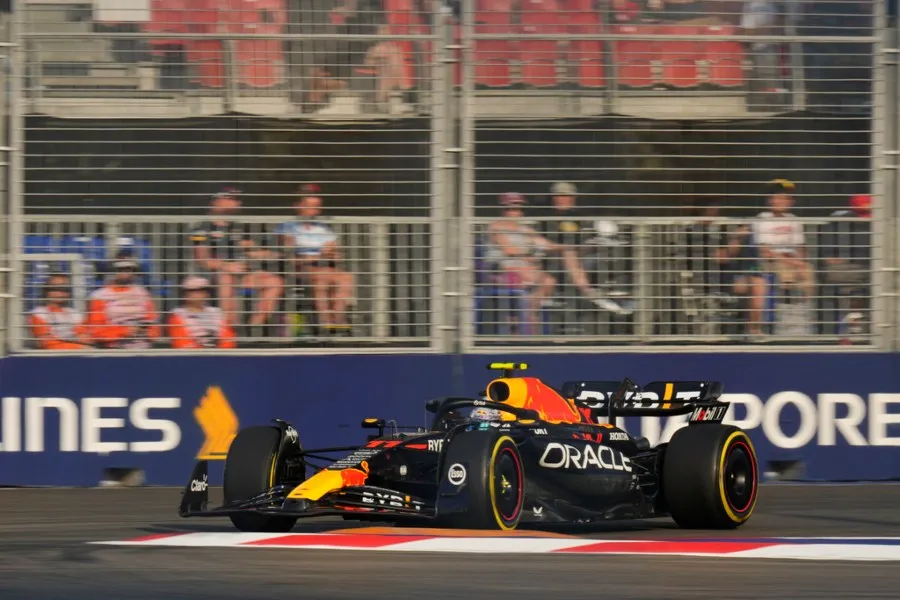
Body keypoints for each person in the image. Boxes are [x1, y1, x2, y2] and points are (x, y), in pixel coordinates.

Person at [190, 188, 284, 329]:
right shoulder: (201, 227)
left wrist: (269, 253)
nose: (236, 202)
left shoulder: (240, 227)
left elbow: (254, 251)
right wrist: (226, 266)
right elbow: (202, 259)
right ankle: (229, 331)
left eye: (236, 199)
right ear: (215, 201)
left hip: (243, 272)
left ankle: (253, 330)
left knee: (275, 282)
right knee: (226, 278)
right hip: (214, 275)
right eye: (230, 198)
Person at [538, 182, 633, 316]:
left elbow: (589, 239)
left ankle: (617, 292)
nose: (562, 199)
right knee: (569, 254)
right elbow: (545, 245)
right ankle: (591, 293)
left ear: (574, 198)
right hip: (556, 260)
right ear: (553, 198)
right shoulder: (546, 219)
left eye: (566, 195)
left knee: (610, 252)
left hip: (581, 257)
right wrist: (571, 248)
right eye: (559, 195)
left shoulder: (582, 217)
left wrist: (595, 244)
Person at [276, 188, 355, 332]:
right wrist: (318, 255)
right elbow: (288, 252)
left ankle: (335, 319)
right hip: (299, 268)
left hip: (322, 267)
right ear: (298, 206)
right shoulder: (287, 227)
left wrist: (322, 255)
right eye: (310, 205)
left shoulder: (323, 228)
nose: (315, 209)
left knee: (344, 277)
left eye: (317, 206)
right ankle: (329, 320)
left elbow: (336, 253)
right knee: (322, 278)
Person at [484, 192, 558, 331]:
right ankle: (527, 319)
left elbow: (545, 244)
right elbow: (509, 249)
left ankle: (530, 314)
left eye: (518, 208)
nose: (515, 212)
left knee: (549, 281)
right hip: (501, 268)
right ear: (502, 210)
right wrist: (529, 254)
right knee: (532, 276)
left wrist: (567, 248)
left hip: (525, 267)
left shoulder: (526, 229)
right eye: (510, 208)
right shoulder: (496, 226)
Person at [752, 179, 814, 301]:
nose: (781, 202)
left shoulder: (794, 220)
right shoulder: (762, 219)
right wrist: (793, 263)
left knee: (808, 270)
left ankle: (804, 309)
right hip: (770, 261)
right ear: (770, 200)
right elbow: (765, 252)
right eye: (778, 198)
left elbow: (800, 246)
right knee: (786, 273)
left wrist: (801, 262)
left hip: (791, 260)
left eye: (785, 198)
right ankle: (784, 307)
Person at [86, 251, 161, 349]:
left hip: (143, 349)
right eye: (121, 269)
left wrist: (145, 330)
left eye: (128, 269)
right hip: (114, 350)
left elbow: (155, 330)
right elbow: (97, 332)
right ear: (114, 270)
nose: (125, 272)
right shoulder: (100, 296)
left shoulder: (143, 294)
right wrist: (125, 331)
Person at [167, 276, 237, 349]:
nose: (201, 294)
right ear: (185, 294)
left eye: (204, 291)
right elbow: (182, 344)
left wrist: (218, 352)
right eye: (196, 291)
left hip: (221, 357)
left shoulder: (217, 313)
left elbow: (228, 339)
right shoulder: (177, 316)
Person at [28, 273, 92, 350]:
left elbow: (85, 340)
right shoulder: (38, 314)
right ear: (46, 290)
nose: (60, 292)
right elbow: (49, 344)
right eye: (55, 288)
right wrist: (79, 347)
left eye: (64, 289)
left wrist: (81, 347)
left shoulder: (75, 314)